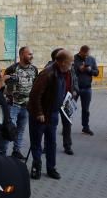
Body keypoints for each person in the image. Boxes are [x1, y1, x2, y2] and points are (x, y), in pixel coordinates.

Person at [28, 49, 73, 180]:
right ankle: (36, 167)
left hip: (53, 114)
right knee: (36, 142)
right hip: (41, 115)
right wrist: (39, 112)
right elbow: (35, 95)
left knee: (51, 142)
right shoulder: (47, 73)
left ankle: (51, 168)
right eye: (70, 62)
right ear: (62, 62)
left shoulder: (63, 72)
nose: (71, 65)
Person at [4, 46, 37, 160]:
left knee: (21, 129)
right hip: (13, 105)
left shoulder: (34, 69)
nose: (32, 56)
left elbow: (35, 85)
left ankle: (16, 150)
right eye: (29, 54)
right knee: (9, 128)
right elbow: (4, 84)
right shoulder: (12, 68)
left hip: (26, 106)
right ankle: (3, 152)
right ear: (22, 55)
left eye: (32, 54)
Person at [44, 48, 79, 156]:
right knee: (49, 124)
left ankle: (67, 146)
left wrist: (75, 91)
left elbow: (75, 80)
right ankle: (47, 146)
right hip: (54, 100)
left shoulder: (70, 68)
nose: (70, 63)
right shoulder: (49, 69)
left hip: (67, 99)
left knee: (67, 123)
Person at [73, 45, 99, 135]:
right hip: (74, 89)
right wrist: (78, 69)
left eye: (88, 55)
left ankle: (85, 127)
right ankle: (66, 127)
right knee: (70, 109)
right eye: (85, 55)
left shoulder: (91, 59)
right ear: (81, 51)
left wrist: (89, 69)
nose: (87, 57)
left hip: (87, 88)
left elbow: (96, 73)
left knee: (86, 110)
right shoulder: (73, 59)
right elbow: (69, 72)